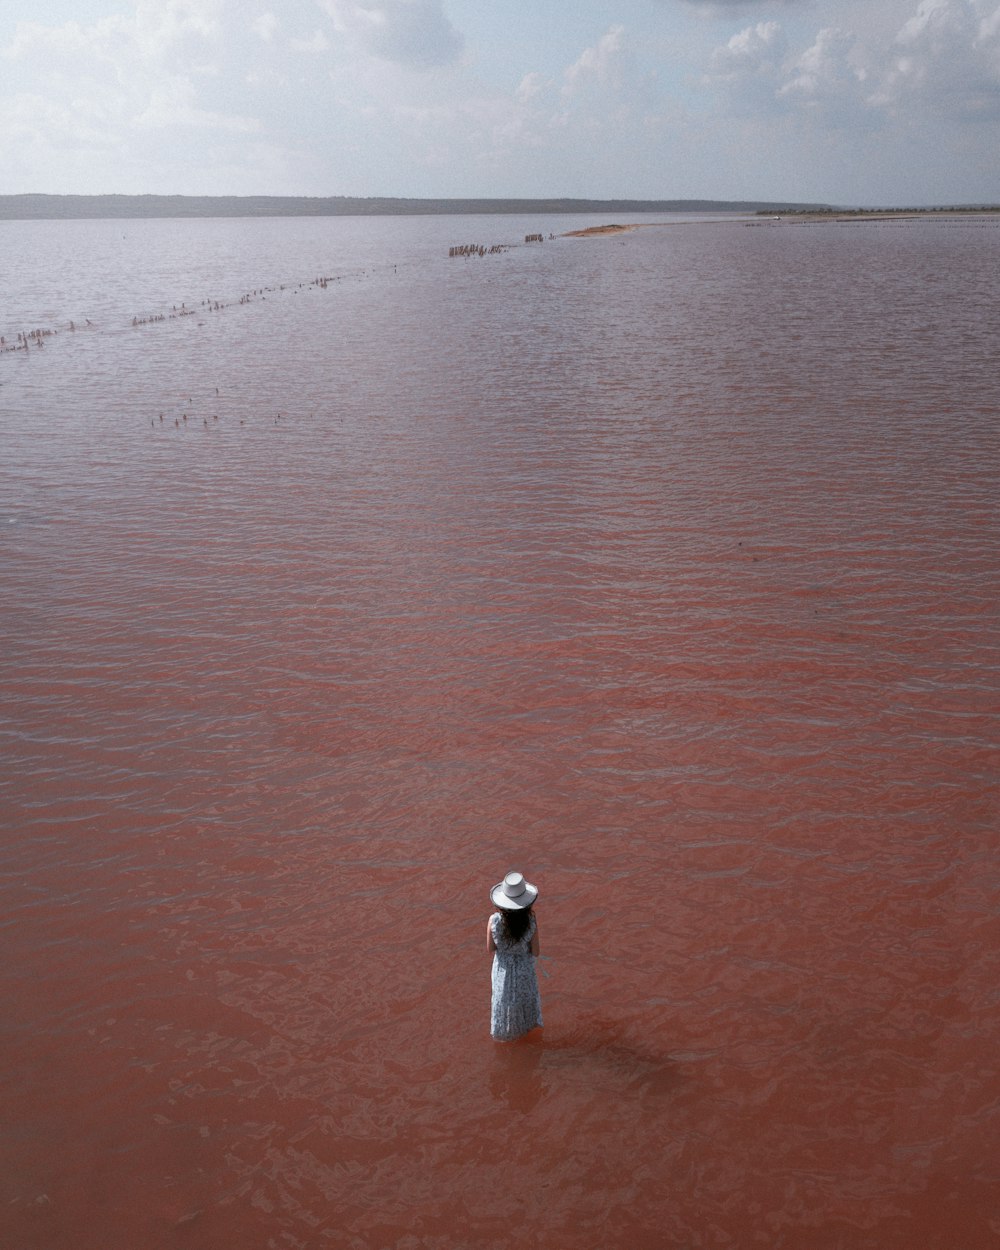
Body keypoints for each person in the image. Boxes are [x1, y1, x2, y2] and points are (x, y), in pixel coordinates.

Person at [487, 871, 542, 1041]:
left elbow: (490, 949)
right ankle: (526, 1033)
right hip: (524, 971)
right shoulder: (531, 921)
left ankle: (505, 1036)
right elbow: (536, 951)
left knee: (504, 1004)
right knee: (524, 1002)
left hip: (503, 973)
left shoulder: (494, 921)